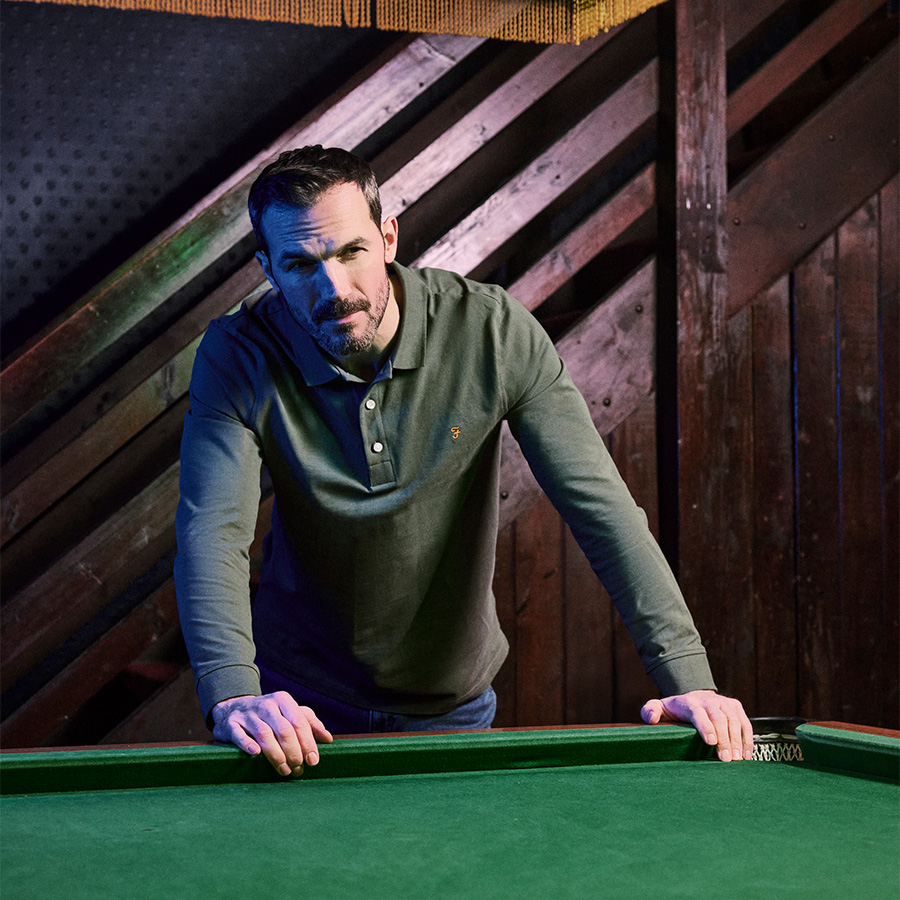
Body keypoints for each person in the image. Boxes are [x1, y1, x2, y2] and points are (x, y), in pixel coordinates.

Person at [175, 145, 753, 778]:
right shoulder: (237, 351)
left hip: (450, 704)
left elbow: (603, 511)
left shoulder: (492, 330)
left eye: (350, 253)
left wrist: (688, 677)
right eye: (300, 265)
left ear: (388, 237)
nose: (333, 289)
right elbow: (212, 533)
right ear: (268, 268)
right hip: (297, 708)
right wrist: (233, 692)